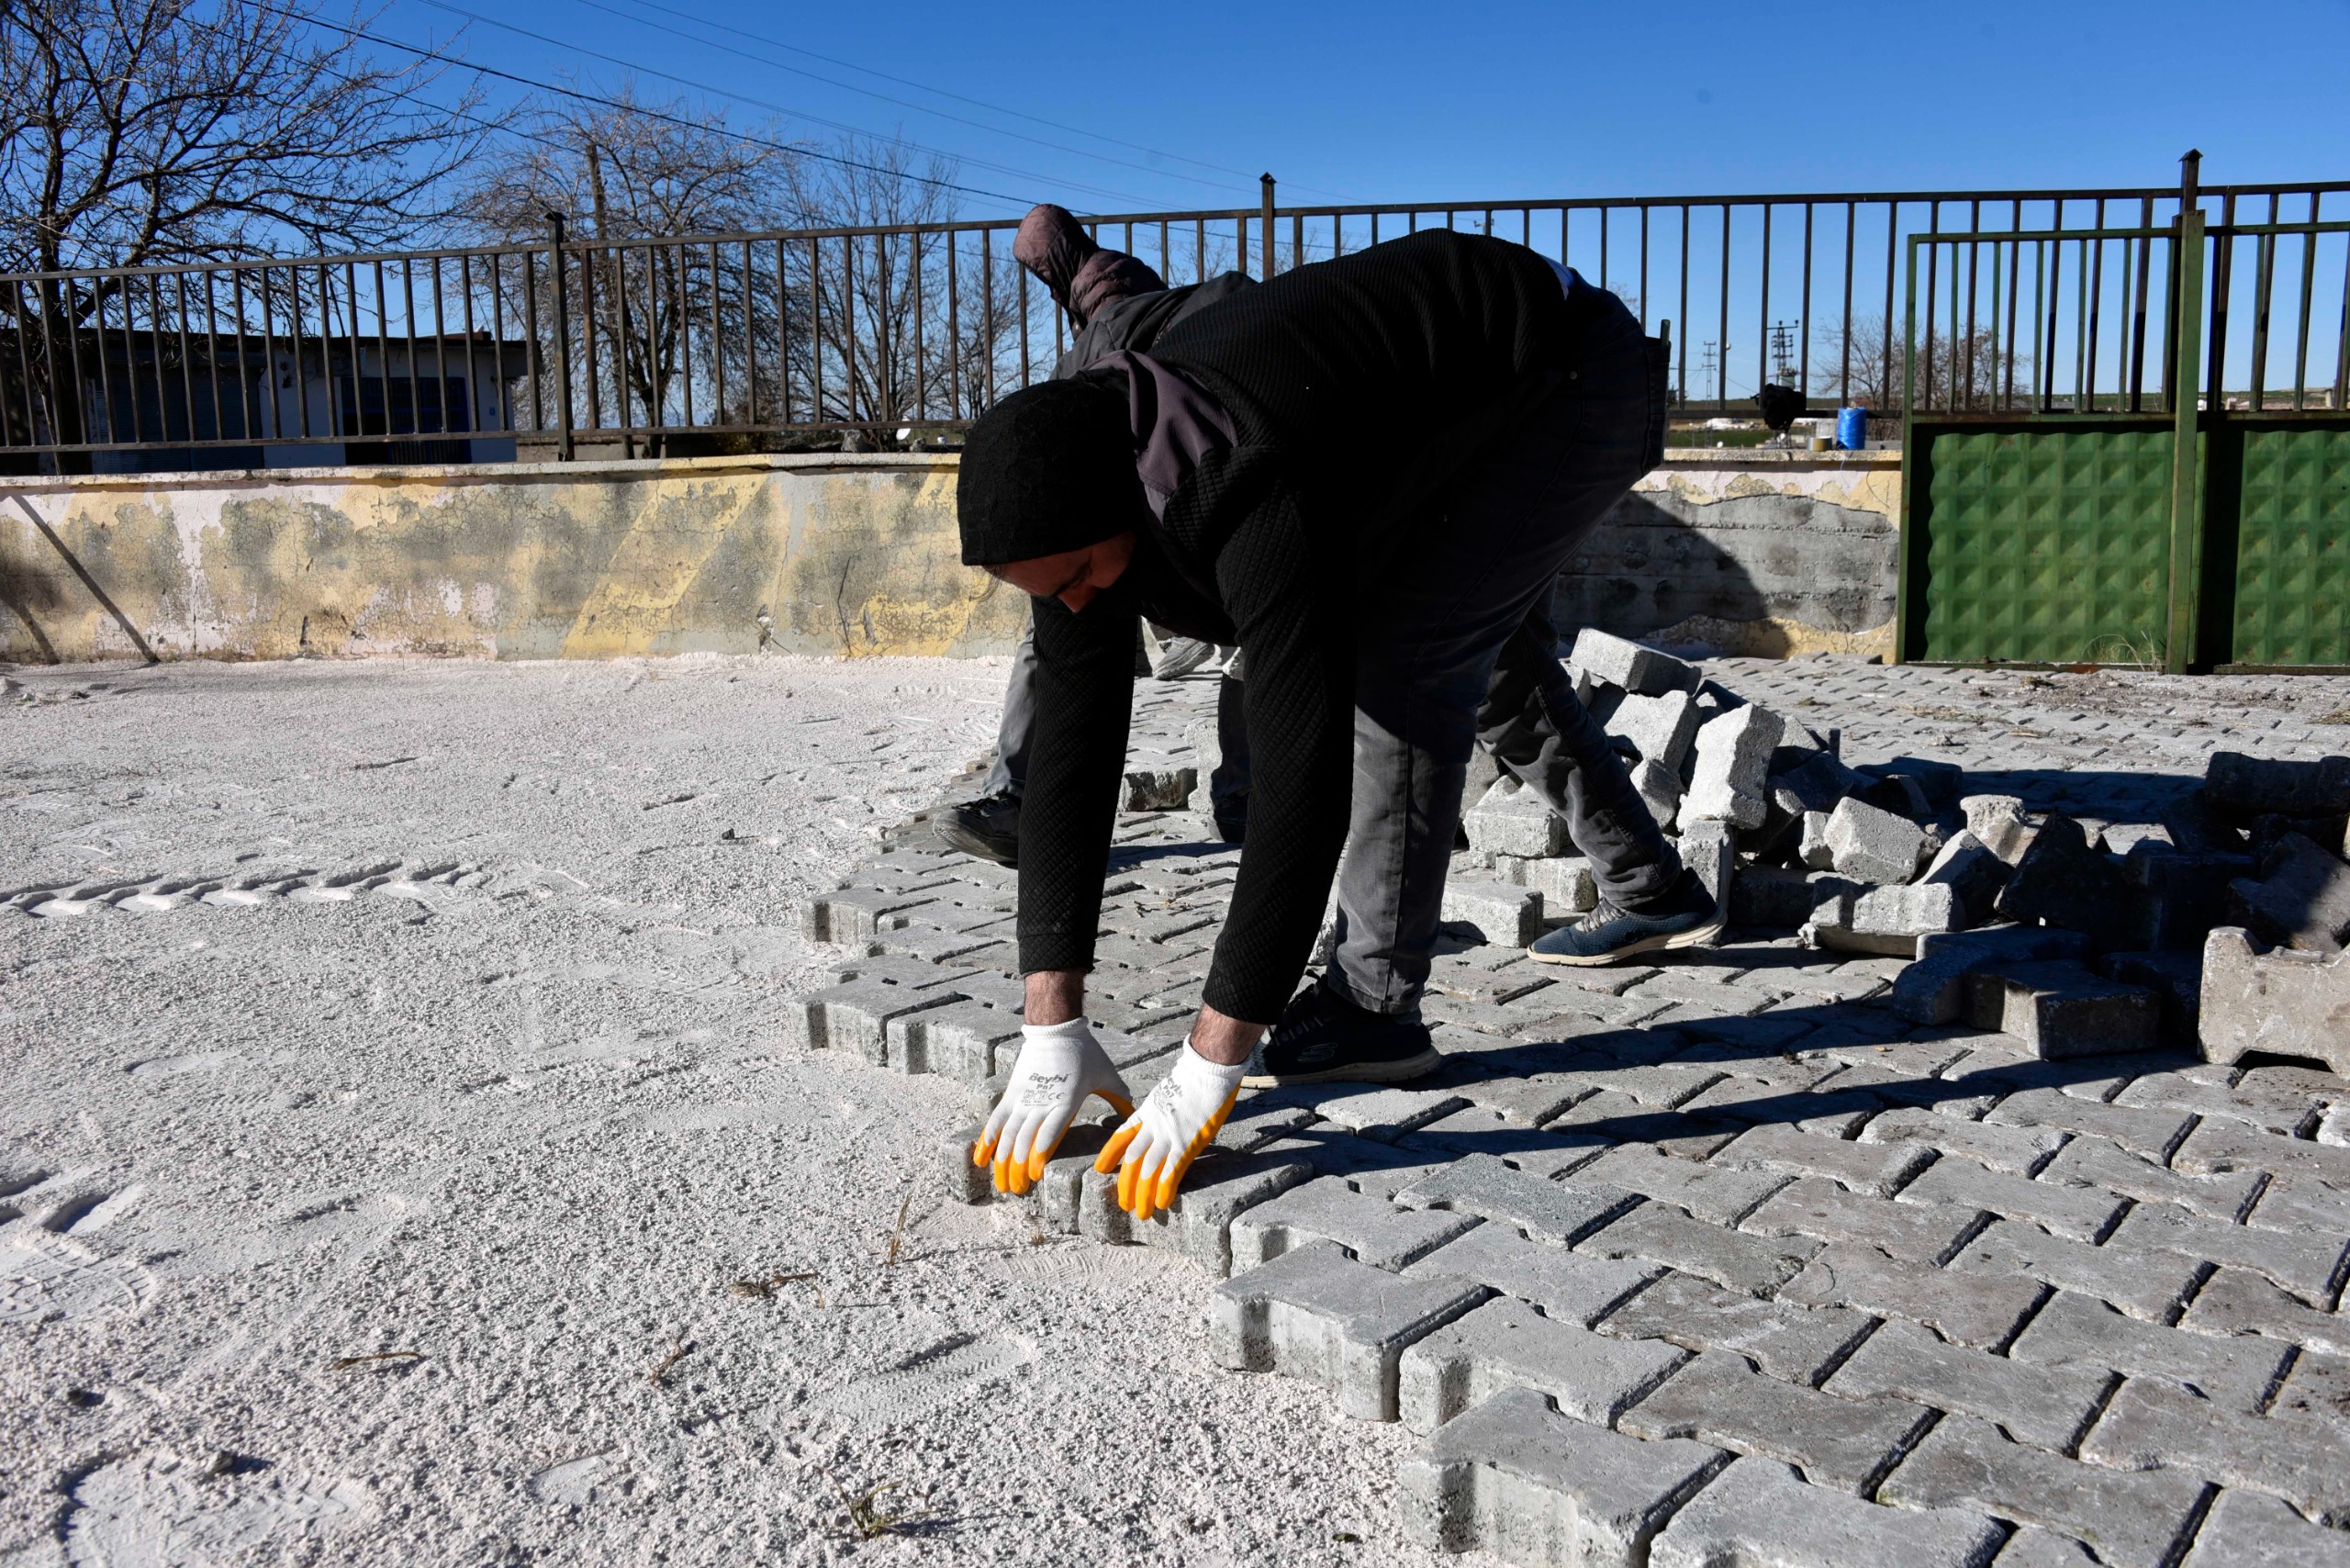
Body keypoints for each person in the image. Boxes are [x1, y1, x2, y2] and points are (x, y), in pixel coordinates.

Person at [963, 229, 1723, 1215]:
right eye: (1042, 591)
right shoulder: (1069, 496)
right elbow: (1071, 751)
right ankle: (1652, 888)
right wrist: (1050, 1021)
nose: (1067, 605)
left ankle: (1372, 1009)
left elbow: (1299, 784)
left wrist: (1211, 1057)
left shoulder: (1246, 481)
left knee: (1406, 660)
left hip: (1571, 372)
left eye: (1072, 580)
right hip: (1427, 390)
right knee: (1464, 636)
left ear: (1123, 506)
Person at [935, 206, 1252, 867]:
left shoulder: (1103, 320)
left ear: (1050, 269)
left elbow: (1072, 432)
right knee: (1248, 639)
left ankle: (1020, 801)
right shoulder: (1143, 289)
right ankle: (1245, 799)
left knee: (1054, 627)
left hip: (1142, 506)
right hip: (1210, 481)